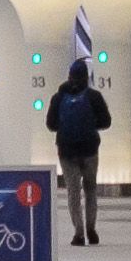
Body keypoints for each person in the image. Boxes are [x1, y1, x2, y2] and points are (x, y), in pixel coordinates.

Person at [45, 58, 112, 244]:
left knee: (73, 192)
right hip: (90, 150)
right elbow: (106, 122)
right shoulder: (94, 96)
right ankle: (91, 229)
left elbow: (50, 124)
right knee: (90, 190)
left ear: (69, 76)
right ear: (86, 77)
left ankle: (79, 233)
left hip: (67, 152)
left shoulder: (58, 98)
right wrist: (90, 126)